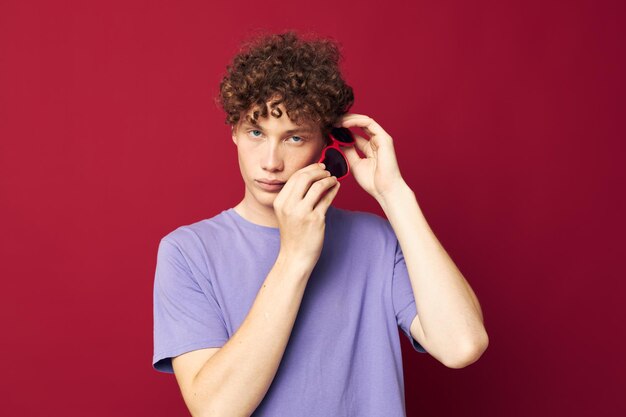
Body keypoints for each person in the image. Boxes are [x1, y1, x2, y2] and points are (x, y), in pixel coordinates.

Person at [152, 30, 488, 417]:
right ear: (235, 132)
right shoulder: (187, 252)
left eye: (294, 137)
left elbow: (463, 344)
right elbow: (217, 410)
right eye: (256, 132)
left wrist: (393, 193)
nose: (271, 161)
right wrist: (294, 257)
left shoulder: (376, 240)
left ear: (325, 144)